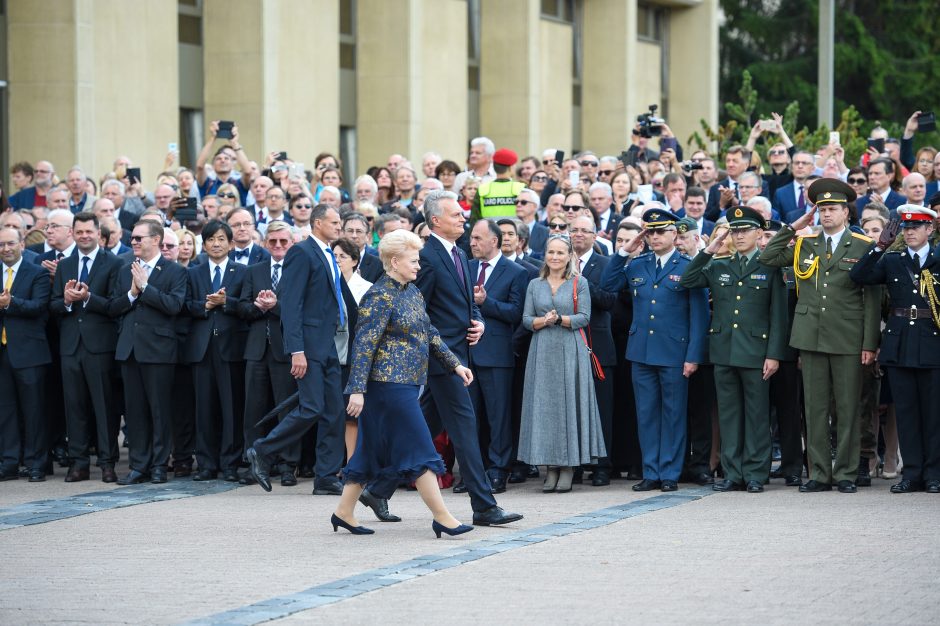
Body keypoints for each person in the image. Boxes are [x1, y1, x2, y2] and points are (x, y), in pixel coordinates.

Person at [386, 190, 522, 526]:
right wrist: (441, 350)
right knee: (464, 426)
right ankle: (484, 506)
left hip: (461, 352)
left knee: (421, 426)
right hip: (441, 357)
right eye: (456, 214)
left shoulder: (458, 253)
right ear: (435, 221)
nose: (463, 217)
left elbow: (465, 300)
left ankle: (377, 486)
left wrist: (477, 321)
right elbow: (417, 310)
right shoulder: (427, 256)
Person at [332, 230, 474, 537]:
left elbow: (430, 332)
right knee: (420, 448)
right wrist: (356, 389)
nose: (419, 266)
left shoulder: (412, 291)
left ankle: (343, 511)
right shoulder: (378, 295)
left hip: (408, 383)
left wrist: (454, 364)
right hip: (387, 386)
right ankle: (442, 516)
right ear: (394, 262)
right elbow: (363, 345)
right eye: (413, 260)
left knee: (368, 452)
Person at [760, 179, 881, 493]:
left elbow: (872, 298)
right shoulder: (805, 243)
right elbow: (768, 257)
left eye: (832, 209)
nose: (826, 214)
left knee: (847, 407)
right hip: (810, 335)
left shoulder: (863, 245)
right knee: (814, 408)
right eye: (821, 209)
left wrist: (869, 342)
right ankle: (819, 473)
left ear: (845, 212)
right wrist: (793, 226)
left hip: (847, 336)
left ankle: (846, 473)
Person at [680, 206, 789, 492]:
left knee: (756, 415)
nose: (739, 236)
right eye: (735, 230)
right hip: (724, 350)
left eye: (745, 230)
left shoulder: (769, 266)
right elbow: (688, 280)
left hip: (756, 351)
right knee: (729, 414)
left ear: (758, 234)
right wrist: (709, 249)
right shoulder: (719, 264)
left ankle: (754, 472)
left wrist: (774, 354)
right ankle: (732, 472)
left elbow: (778, 315)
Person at [246, 205, 352, 496]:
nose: (338, 226)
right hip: (307, 345)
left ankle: (327, 476)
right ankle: (262, 450)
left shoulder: (329, 253)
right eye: (334, 222)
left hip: (328, 343)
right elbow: (291, 305)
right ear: (317, 223)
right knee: (311, 407)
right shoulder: (301, 252)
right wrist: (296, 350)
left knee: (334, 412)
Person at [601, 208, 708, 492]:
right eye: (650, 232)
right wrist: (625, 251)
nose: (655, 236)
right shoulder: (638, 264)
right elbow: (608, 284)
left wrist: (694, 356)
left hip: (675, 352)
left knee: (673, 414)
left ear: (675, 233)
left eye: (661, 231)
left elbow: (699, 316)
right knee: (646, 413)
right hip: (642, 351)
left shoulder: (687, 266)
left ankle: (670, 473)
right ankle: (651, 471)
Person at [850, 205, 940, 493]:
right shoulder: (893, 260)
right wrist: (879, 246)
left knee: (934, 414)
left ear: (930, 230)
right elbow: (859, 275)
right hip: (900, 344)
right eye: (906, 227)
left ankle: (934, 473)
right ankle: (912, 473)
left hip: (933, 343)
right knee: (907, 412)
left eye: (916, 227)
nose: (910, 231)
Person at [519, 233, 606, 492]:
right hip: (542, 349)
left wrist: (560, 320)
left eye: (560, 253)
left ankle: (568, 467)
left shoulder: (579, 282)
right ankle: (550, 468)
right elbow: (525, 319)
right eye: (550, 252)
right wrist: (543, 321)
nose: (554, 257)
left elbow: (585, 317)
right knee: (544, 407)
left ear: (569, 256)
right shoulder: (535, 284)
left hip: (570, 348)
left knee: (569, 404)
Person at [108, 220, 188, 484]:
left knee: (159, 410)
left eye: (140, 238)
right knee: (135, 412)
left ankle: (158, 466)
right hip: (130, 349)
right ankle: (138, 465)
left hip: (159, 351)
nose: (134, 242)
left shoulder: (175, 271)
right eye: (133, 239)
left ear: (156, 240)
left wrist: (146, 288)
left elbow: (174, 306)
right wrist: (131, 293)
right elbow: (113, 307)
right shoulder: (124, 270)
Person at [49, 213, 122, 483]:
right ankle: (78, 463)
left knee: (104, 408)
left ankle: (107, 463)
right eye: (79, 232)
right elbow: (53, 305)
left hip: (100, 346)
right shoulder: (65, 265)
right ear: (73, 233)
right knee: (74, 407)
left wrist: (89, 297)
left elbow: (116, 305)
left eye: (89, 232)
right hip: (70, 346)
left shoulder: (113, 263)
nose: (84, 236)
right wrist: (67, 300)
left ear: (98, 234)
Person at [466, 219, 528, 493]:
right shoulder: (466, 267)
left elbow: (517, 313)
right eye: (472, 238)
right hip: (467, 354)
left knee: (498, 415)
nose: (473, 242)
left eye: (478, 238)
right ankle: (473, 471)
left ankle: (498, 470)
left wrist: (486, 303)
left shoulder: (515, 272)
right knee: (470, 415)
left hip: (498, 355)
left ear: (495, 240)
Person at [184, 220, 248, 482]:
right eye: (211, 239)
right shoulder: (194, 272)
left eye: (222, 239)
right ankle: (207, 464)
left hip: (231, 348)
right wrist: (206, 306)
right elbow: (186, 305)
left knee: (231, 408)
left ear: (231, 244)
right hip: (202, 349)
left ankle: (230, 463)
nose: (216, 244)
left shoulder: (242, 272)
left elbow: (247, 307)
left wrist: (227, 302)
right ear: (204, 244)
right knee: (204, 407)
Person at [0, 227, 52, 482]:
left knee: (33, 411)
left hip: (30, 353)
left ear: (22, 243)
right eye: (1, 245)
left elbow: (40, 307)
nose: (6, 249)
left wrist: (11, 303)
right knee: (5, 411)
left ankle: (36, 464)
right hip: (3, 354)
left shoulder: (38, 273)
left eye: (10, 243)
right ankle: (9, 462)